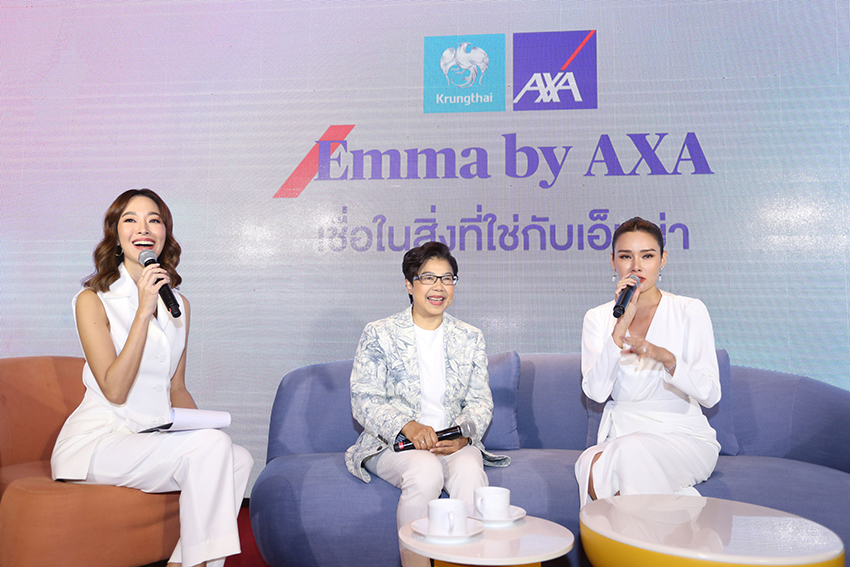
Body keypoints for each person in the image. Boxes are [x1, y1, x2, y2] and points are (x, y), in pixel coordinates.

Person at [51, 189, 253, 567]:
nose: (143, 228)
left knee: (236, 457)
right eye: (131, 220)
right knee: (213, 448)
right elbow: (114, 390)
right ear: (116, 236)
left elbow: (177, 387)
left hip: (149, 437)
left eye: (154, 220)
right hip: (98, 442)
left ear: (164, 235)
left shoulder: (179, 304)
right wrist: (143, 311)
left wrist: (201, 428)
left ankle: (183, 563)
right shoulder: (93, 299)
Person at [344, 241, 509, 565]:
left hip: (452, 443)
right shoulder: (380, 333)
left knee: (470, 472)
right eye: (428, 278)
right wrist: (408, 426)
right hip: (394, 444)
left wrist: (463, 436)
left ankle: (468, 562)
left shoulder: (469, 337)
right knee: (425, 471)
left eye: (447, 279)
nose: (439, 287)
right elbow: (364, 397)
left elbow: (480, 401)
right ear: (410, 284)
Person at [575, 217, 721, 507]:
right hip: (623, 434)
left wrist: (668, 359)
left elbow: (710, 395)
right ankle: (677, 521)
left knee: (620, 459)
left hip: (682, 434)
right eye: (625, 256)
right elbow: (596, 393)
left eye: (647, 256)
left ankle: (645, 534)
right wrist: (619, 329)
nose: (636, 266)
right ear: (613, 261)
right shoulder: (598, 317)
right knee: (588, 463)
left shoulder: (689, 310)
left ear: (663, 259)